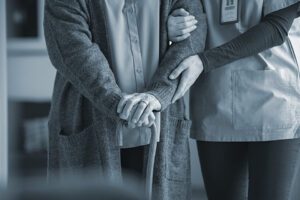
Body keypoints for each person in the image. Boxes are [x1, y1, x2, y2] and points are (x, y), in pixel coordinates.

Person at [43, 0, 206, 199]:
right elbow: (73, 51)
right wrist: (121, 104)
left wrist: (157, 96)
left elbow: (192, 38)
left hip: (160, 125)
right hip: (89, 124)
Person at [167, 0, 300, 200]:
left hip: (271, 100)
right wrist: (170, 26)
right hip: (215, 98)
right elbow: (176, 10)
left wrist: (205, 61)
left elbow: (277, 27)